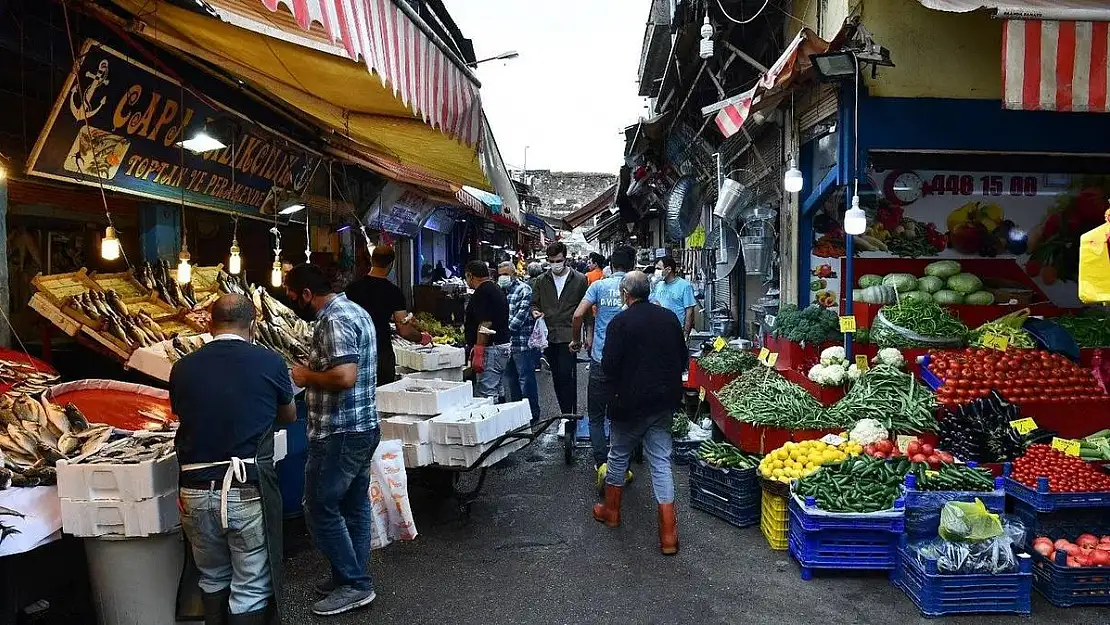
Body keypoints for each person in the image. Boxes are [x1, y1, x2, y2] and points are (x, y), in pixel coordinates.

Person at [172, 294, 296, 625]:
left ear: (210, 325)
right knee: (251, 584)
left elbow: (184, 414)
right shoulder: (270, 362)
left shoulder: (182, 367)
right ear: (253, 325)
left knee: (211, 576)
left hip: (195, 491)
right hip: (245, 489)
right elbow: (289, 415)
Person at [286, 264, 380, 617]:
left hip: (340, 431)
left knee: (320, 508)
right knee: (354, 506)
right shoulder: (355, 310)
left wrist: (304, 374)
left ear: (307, 294)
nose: (293, 302)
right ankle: (350, 575)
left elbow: (344, 375)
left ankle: (355, 584)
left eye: (294, 296)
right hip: (361, 427)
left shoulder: (333, 319)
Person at [591, 271, 686, 555]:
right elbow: (683, 359)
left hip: (629, 403)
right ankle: (668, 535)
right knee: (660, 462)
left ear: (625, 294)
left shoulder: (620, 322)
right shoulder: (668, 317)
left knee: (618, 455)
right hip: (663, 402)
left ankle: (611, 512)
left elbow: (608, 366)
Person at [571, 245, 634, 480]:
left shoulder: (598, 286)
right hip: (629, 363)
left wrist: (576, 341)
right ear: (631, 265)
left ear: (611, 265)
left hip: (600, 358)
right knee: (624, 414)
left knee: (596, 416)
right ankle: (622, 463)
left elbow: (578, 315)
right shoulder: (637, 287)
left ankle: (601, 464)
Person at [345, 245, 431, 385]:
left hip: (354, 352)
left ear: (372, 260)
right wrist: (421, 337)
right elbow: (404, 329)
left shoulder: (352, 289)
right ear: (391, 264)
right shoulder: (393, 292)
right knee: (384, 398)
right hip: (381, 354)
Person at [531, 242, 589, 420]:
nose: (555, 264)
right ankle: (565, 413)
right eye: (551, 261)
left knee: (566, 374)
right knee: (557, 376)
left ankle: (568, 414)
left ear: (566, 259)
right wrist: (534, 311)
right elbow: (534, 302)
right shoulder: (541, 280)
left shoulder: (579, 279)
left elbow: (585, 307)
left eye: (559, 260)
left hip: (569, 334)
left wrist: (587, 334)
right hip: (549, 335)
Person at [497, 262, 540, 421]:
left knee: (526, 379)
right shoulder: (500, 291)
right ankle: (516, 413)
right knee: (511, 380)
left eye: (506, 274)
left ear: (514, 274)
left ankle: (532, 413)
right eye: (501, 274)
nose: (503, 277)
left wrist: (501, 331)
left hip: (521, 342)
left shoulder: (524, 289)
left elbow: (520, 318)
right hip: (506, 344)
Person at [464, 260, 511, 399]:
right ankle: (503, 419)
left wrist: (479, 351)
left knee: (486, 394)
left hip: (492, 349)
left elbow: (485, 324)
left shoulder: (482, 292)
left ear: (470, 276)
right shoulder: (495, 288)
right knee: (498, 390)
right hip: (501, 346)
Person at [650, 256, 697, 340]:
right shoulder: (659, 285)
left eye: (659, 268)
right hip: (658, 330)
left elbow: (689, 312)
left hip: (675, 330)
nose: (656, 272)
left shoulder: (685, 286)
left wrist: (685, 334)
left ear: (668, 269)